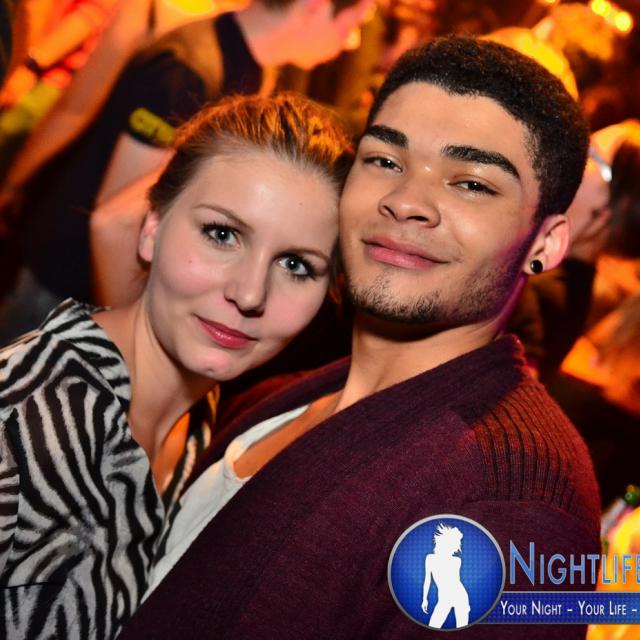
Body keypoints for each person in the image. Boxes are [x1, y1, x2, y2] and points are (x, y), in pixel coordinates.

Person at [120, 37, 600, 639]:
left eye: (472, 183)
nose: (406, 202)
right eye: (385, 161)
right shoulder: (276, 394)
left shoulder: (516, 505)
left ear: (545, 243)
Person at [0, 92, 352, 640]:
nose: (250, 293)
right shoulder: (22, 423)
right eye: (222, 234)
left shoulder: (199, 418)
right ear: (151, 228)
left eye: (296, 264)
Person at [0, 0, 373, 342]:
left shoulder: (255, 70)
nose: (353, 41)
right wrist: (141, 345)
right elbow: (115, 224)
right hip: (62, 288)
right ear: (314, 6)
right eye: (353, 22)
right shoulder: (188, 70)